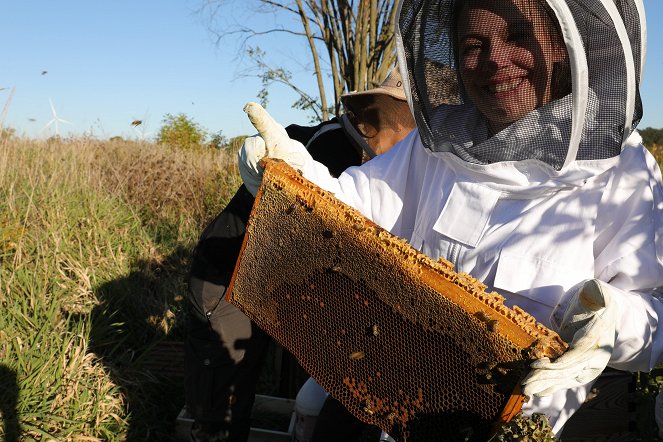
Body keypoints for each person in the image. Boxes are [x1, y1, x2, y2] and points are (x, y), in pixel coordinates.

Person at [238, 0, 663, 437]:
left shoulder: (625, 171)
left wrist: (612, 321)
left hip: (519, 426)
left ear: (565, 45)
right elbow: (353, 209)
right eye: (474, 44)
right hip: (397, 403)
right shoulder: (437, 143)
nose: (495, 59)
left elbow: (654, 319)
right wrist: (293, 174)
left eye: (519, 35)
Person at [185, 66, 416, 442]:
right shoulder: (321, 146)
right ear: (377, 115)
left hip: (292, 285)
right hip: (230, 278)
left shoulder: (395, 169)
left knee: (307, 384)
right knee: (222, 401)